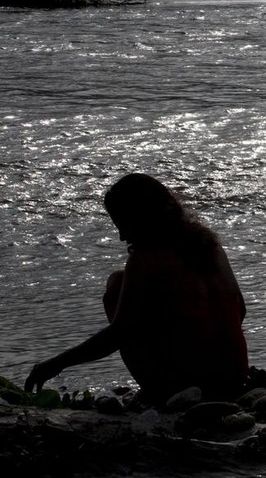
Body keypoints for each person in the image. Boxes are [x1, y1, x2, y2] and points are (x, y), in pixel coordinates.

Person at [25, 173, 249, 403]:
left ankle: (158, 388)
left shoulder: (147, 258)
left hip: (191, 383)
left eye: (123, 225)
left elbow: (119, 333)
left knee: (116, 286)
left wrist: (55, 364)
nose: (122, 237)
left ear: (142, 217)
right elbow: (240, 311)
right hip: (235, 375)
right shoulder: (211, 246)